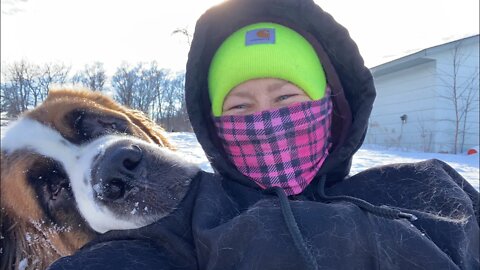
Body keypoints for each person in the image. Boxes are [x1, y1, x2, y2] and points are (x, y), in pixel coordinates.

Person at [49, 0, 479, 269]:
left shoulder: (428, 187)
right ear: (214, 126)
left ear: (331, 107)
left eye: (287, 99)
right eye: (240, 107)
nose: (266, 121)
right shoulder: (190, 216)